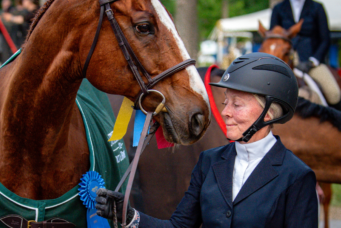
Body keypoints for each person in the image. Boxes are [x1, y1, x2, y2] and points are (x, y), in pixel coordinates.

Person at [96, 53, 318, 227]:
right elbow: (180, 226)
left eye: (237, 104)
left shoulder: (297, 177)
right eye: (225, 103)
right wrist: (128, 215)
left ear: (268, 113)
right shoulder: (209, 162)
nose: (225, 112)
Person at [270, 0, 341, 109]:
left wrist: (312, 61)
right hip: (285, 60)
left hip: (311, 61)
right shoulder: (278, 9)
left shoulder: (317, 8)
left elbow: (325, 39)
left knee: (334, 93)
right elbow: (273, 38)